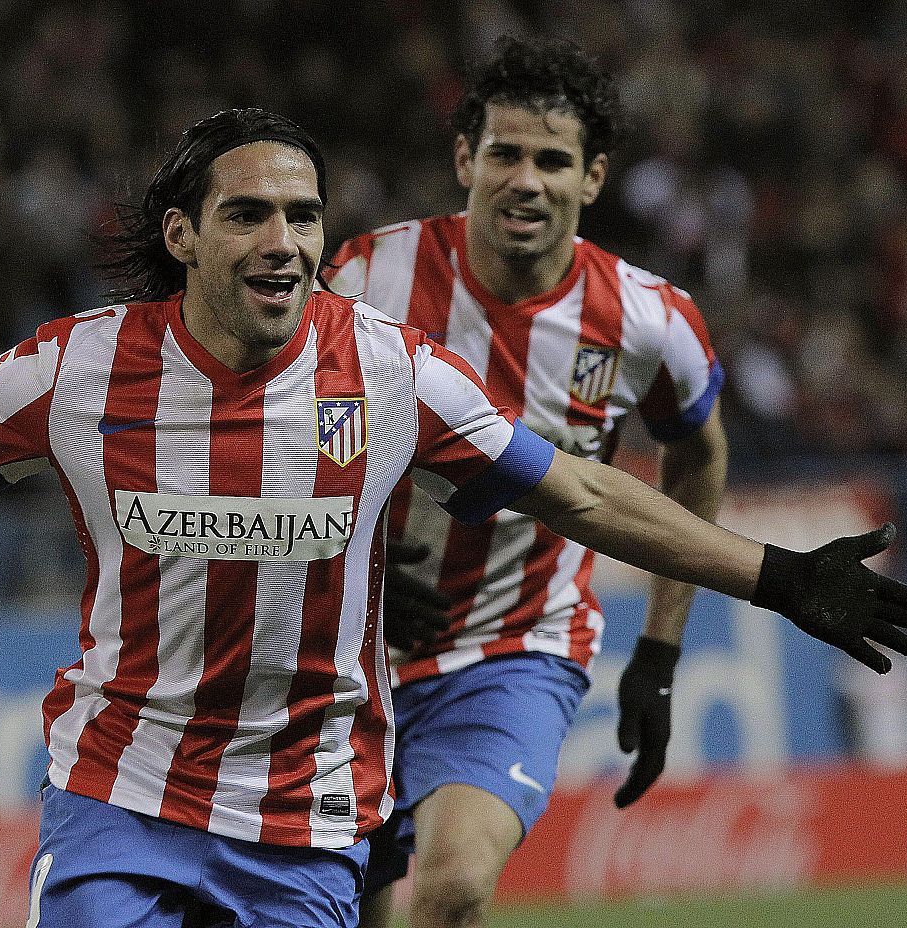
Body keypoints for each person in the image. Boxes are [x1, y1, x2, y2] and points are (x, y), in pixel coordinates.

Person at [0, 108, 907, 928]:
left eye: (305, 216)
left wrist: (776, 575)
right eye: (250, 214)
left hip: (310, 820)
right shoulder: (74, 369)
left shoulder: (389, 372)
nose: (287, 243)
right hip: (123, 797)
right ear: (185, 235)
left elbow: (583, 491)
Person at [323, 37, 876, 928]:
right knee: (356, 906)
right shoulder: (360, 282)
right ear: (466, 159)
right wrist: (355, 575)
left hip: (516, 641)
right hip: (352, 645)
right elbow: (293, 444)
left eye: (553, 160)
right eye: (505, 154)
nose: (526, 180)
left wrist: (659, 649)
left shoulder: (649, 321)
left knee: (455, 884)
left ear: (593, 178)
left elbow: (699, 457)